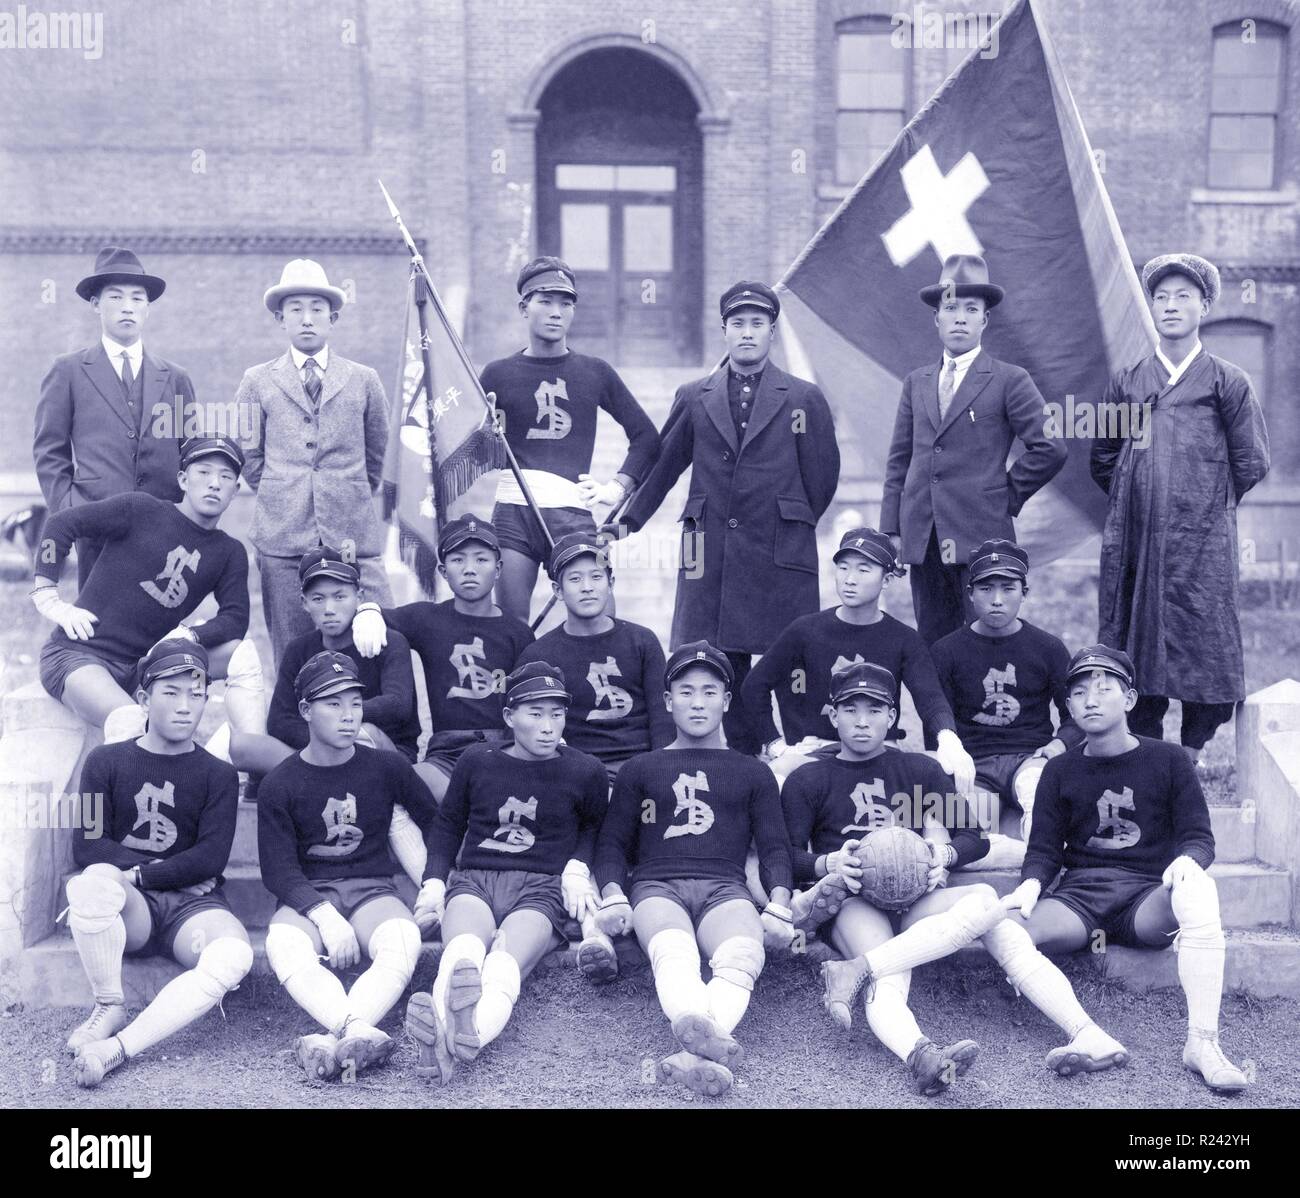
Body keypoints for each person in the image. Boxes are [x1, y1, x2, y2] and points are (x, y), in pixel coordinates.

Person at [786, 661, 1127, 1094]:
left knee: (987, 902)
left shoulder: (919, 771)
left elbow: (973, 839)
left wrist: (940, 853)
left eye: (874, 710)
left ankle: (1085, 1030)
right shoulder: (808, 778)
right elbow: (787, 859)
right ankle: (921, 1055)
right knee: (889, 971)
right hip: (854, 900)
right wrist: (829, 863)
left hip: (916, 896)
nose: (862, 721)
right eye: (850, 710)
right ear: (833, 716)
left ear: (892, 717)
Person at [605, 282, 840, 752]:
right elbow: (664, 467)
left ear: (771, 332)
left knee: (790, 653)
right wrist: (627, 522)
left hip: (779, 545)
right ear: (724, 331)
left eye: (757, 324)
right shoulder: (695, 396)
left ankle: (804, 750)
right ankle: (744, 751)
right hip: (709, 547)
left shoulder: (803, 397)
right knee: (718, 656)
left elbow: (822, 477)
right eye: (738, 324)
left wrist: (789, 517)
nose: (747, 333)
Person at [1005, 645, 1250, 1093]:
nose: (1091, 700)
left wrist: (1186, 862)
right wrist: (1032, 885)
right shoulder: (1059, 770)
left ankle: (1203, 1044)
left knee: (1198, 887)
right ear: (1070, 705)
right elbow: (1043, 849)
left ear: (1131, 699)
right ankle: (1084, 1033)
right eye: (1078, 693)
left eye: (1104, 689)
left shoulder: (1169, 759)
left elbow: (1199, 837)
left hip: (1144, 899)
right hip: (1080, 898)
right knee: (1005, 927)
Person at [592, 641, 796, 1097]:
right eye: (685, 691)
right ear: (667, 701)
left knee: (743, 955)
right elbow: (612, 844)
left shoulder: (752, 772)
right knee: (676, 953)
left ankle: (693, 1056)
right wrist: (610, 891)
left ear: (726, 701)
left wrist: (780, 900)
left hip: (725, 886)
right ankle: (708, 1046)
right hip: (656, 885)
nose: (697, 702)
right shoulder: (640, 768)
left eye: (709, 692)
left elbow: (775, 848)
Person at [1091, 254, 1269, 760]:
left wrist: (1197, 502)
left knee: (1203, 637)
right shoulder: (1128, 380)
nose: (1170, 306)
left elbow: (1250, 460)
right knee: (1135, 640)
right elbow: (1103, 457)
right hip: (1137, 539)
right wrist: (1140, 497)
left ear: (1205, 306)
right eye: (1161, 297)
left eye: (1183, 296)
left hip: (1203, 540)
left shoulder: (1226, 381)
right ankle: (1147, 752)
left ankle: (1191, 753)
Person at [404, 662, 608, 1084]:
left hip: (541, 887)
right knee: (461, 955)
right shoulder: (477, 760)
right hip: (476, 878)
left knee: (503, 964)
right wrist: (435, 880)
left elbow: (594, 827)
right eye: (535, 713)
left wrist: (577, 866)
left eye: (557, 713)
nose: (549, 726)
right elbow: (449, 824)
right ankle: (449, 1034)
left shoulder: (584, 769)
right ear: (509, 716)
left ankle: (461, 1035)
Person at [62, 639, 253, 1089]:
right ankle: (110, 1003)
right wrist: (151, 873)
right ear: (145, 698)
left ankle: (120, 1047)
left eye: (197, 693)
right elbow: (87, 845)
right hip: (132, 906)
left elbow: (211, 857)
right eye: (171, 692)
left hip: (191, 912)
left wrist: (154, 872)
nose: (186, 706)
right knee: (94, 881)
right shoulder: (103, 761)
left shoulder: (219, 775)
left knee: (234, 955)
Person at [258, 651, 437, 1081]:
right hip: (311, 891)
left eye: (355, 703)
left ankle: (338, 1036)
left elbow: (438, 825)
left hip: (372, 887)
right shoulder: (280, 782)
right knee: (282, 942)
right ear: (305, 710)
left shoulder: (387, 766)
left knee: (402, 938)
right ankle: (354, 1029)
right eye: (332, 704)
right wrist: (321, 914)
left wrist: (434, 884)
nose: (348, 716)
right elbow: (278, 871)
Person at [30, 435, 265, 755]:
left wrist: (188, 635)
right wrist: (48, 595)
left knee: (242, 654)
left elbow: (235, 620)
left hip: (147, 664)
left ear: (236, 490)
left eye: (226, 477)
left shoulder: (228, 552)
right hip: (81, 657)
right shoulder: (139, 509)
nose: (214, 484)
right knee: (130, 722)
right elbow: (61, 524)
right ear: (183, 479)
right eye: (204, 473)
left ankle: (248, 754)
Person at [880, 254, 1066, 646]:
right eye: (950, 308)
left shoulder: (1010, 380)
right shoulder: (917, 382)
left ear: (985, 319)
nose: (960, 318)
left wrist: (1003, 494)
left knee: (983, 642)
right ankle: (940, 711)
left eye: (971, 309)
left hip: (981, 537)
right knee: (933, 643)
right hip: (925, 537)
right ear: (936, 319)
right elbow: (900, 460)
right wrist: (892, 530)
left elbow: (1049, 447)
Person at [515, 532, 675, 979]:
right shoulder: (541, 652)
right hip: (578, 770)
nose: (587, 586)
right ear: (556, 589)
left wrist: (657, 770)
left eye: (596, 576)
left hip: (638, 767)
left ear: (611, 582)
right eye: (574, 578)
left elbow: (661, 720)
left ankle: (621, 919)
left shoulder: (641, 642)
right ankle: (596, 929)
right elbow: (536, 729)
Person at [479, 256, 659, 622]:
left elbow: (646, 437)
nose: (556, 312)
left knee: (602, 622)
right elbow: (479, 454)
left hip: (572, 514)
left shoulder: (594, 371)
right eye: (545, 301)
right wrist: (486, 435)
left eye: (566, 303)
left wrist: (618, 487)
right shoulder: (496, 374)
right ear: (523, 307)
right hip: (514, 513)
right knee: (512, 626)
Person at [236, 259, 394, 668]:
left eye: (317, 309)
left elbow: (377, 453)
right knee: (293, 649)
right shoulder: (257, 380)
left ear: (333, 317)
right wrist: (284, 491)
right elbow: (249, 454)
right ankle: (295, 729)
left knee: (374, 640)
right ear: (280, 318)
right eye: (295, 310)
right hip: (282, 536)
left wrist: (343, 491)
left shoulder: (363, 379)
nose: (307, 319)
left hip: (349, 533)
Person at [740, 527, 973, 790]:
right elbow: (753, 686)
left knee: (946, 773)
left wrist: (947, 738)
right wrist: (776, 746)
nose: (850, 579)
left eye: (863, 569)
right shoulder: (805, 630)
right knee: (775, 778)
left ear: (886, 580)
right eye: (843, 568)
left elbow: (929, 696)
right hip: (819, 751)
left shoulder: (904, 638)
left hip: (882, 751)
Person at [34, 246, 199, 588]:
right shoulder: (68, 371)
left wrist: (186, 515)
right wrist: (72, 513)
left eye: (138, 298)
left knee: (163, 632)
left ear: (148, 308)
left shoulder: (175, 376)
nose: (128, 306)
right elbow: (50, 452)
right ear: (95, 304)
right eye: (115, 296)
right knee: (99, 631)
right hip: (96, 529)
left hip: (163, 529)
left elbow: (192, 450)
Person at [352, 516, 534, 811]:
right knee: (403, 786)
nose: (470, 569)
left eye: (481, 559)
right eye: (458, 560)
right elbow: (380, 616)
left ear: (498, 568)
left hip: (503, 747)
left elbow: (528, 697)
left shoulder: (517, 632)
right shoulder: (427, 618)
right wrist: (368, 611)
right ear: (442, 570)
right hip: (446, 754)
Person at [930, 539, 1082, 859]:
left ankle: (1042, 857)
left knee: (1038, 796)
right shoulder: (946, 651)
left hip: (1030, 756)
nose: (997, 600)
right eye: (986, 589)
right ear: (970, 593)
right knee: (965, 829)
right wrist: (954, 755)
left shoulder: (1047, 648)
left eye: (1008, 588)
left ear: (1024, 593)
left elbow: (1075, 713)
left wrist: (1058, 745)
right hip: (975, 764)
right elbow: (937, 714)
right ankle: (1009, 853)